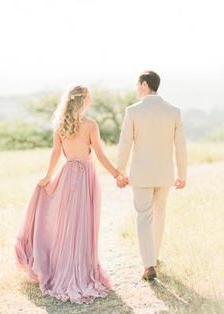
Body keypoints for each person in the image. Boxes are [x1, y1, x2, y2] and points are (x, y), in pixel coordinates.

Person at [14, 85, 126, 304]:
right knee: (82, 225)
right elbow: (101, 155)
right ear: (83, 101)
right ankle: (80, 271)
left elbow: (56, 153)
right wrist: (117, 175)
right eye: (90, 99)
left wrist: (48, 177)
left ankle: (65, 267)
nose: (91, 102)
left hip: (66, 176)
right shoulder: (91, 125)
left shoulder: (60, 125)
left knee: (67, 225)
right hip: (85, 177)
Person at [116, 71, 187, 280]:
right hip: (165, 174)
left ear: (145, 85)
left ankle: (149, 265)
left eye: (138, 85)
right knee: (160, 213)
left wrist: (120, 171)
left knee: (144, 216)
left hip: (141, 174)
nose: (137, 88)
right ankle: (154, 257)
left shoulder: (132, 111)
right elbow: (180, 146)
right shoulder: (173, 111)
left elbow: (125, 143)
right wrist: (182, 173)